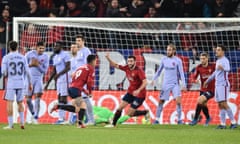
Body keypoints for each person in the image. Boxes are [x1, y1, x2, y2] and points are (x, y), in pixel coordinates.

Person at [50, 54, 97, 128]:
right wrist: (90, 92)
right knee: (83, 106)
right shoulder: (91, 68)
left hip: (71, 88)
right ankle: (80, 124)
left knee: (76, 109)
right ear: (93, 61)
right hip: (76, 90)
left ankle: (58, 106)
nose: (96, 63)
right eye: (95, 61)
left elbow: (77, 81)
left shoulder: (81, 67)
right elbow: (89, 82)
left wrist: (85, 92)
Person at [104, 53, 149, 127]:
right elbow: (115, 65)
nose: (130, 63)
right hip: (130, 92)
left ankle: (145, 112)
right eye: (128, 61)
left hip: (140, 95)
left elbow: (145, 82)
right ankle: (113, 124)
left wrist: (138, 90)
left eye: (131, 61)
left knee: (130, 114)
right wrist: (108, 58)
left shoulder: (139, 70)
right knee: (119, 108)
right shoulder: (126, 67)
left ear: (135, 62)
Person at [151, 44, 186, 124]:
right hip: (165, 84)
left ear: (174, 51)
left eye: (170, 50)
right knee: (161, 101)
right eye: (167, 50)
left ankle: (180, 120)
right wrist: (154, 79)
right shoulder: (164, 59)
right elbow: (159, 71)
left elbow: (181, 73)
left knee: (178, 101)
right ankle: (156, 119)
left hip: (175, 84)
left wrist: (184, 85)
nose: (168, 51)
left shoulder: (178, 60)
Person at [204, 45, 237, 129]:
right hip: (217, 85)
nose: (216, 51)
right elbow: (215, 73)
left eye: (218, 50)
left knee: (224, 103)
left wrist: (223, 68)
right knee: (219, 104)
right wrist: (208, 81)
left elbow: (228, 69)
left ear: (223, 51)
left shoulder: (225, 60)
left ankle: (233, 122)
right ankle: (223, 124)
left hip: (223, 84)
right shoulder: (218, 60)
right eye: (216, 50)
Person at [2, 41, 32, 129]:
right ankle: (22, 123)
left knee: (10, 103)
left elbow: (4, 72)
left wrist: (6, 75)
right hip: (21, 82)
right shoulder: (23, 57)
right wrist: (30, 83)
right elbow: (28, 72)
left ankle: (11, 125)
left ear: (9, 48)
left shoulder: (6, 57)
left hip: (11, 82)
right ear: (17, 47)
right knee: (20, 103)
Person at [44, 41, 71, 124]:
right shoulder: (55, 57)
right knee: (60, 98)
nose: (55, 47)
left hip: (65, 79)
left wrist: (58, 75)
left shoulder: (65, 54)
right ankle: (62, 118)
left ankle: (66, 118)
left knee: (63, 99)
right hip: (59, 80)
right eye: (54, 46)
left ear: (61, 46)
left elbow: (68, 67)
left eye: (57, 46)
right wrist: (47, 83)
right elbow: (54, 71)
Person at [25, 41, 49, 124]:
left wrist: (37, 65)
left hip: (38, 79)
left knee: (37, 98)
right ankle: (32, 113)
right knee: (28, 100)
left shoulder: (46, 57)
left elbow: (45, 71)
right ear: (36, 47)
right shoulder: (29, 54)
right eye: (40, 48)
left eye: (43, 48)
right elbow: (24, 66)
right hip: (29, 79)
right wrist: (31, 65)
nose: (41, 50)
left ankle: (35, 118)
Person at [189, 52, 215, 126]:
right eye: (201, 59)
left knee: (200, 100)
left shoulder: (213, 66)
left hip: (212, 89)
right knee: (203, 104)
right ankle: (208, 118)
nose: (202, 60)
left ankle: (195, 119)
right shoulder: (199, 67)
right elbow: (193, 78)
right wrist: (195, 80)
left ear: (207, 58)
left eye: (204, 58)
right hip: (203, 89)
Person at [74, 34, 95, 125]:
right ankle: (85, 119)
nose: (77, 42)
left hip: (84, 78)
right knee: (79, 99)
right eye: (76, 40)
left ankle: (91, 120)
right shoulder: (77, 52)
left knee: (85, 98)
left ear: (83, 41)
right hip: (78, 78)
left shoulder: (86, 51)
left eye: (79, 40)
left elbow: (90, 64)